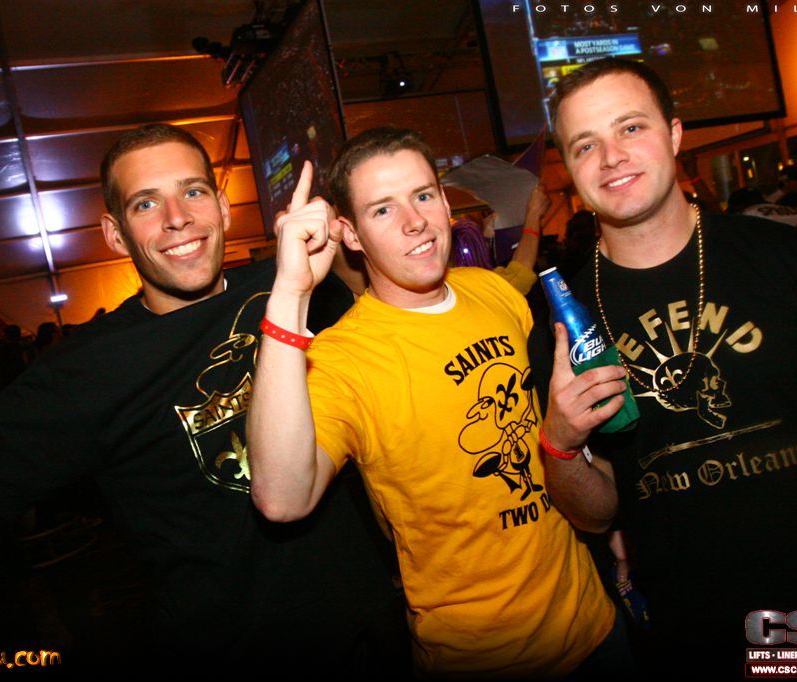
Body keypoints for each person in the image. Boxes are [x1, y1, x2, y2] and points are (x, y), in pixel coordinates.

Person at [0, 124, 407, 675]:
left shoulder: (295, 282)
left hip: (384, 632)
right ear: (115, 234)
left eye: (193, 191)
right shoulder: (88, 369)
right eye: (145, 203)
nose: (177, 217)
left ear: (222, 207)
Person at [528, 57, 797, 678]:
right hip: (692, 634)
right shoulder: (562, 327)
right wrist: (560, 443)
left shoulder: (791, 261)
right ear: (570, 172)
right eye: (586, 144)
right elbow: (596, 512)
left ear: (674, 134)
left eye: (630, 127)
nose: (611, 157)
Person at [247, 128, 627, 678]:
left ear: (445, 203)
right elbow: (282, 499)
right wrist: (290, 294)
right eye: (382, 209)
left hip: (595, 625)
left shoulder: (494, 293)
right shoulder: (344, 357)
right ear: (350, 234)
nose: (414, 222)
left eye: (422, 195)